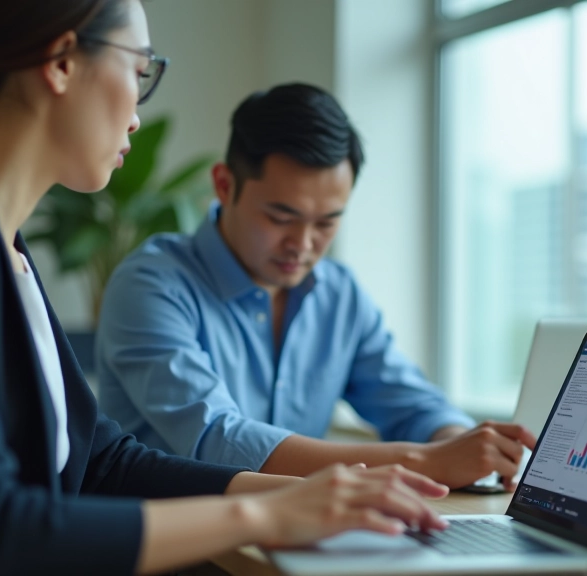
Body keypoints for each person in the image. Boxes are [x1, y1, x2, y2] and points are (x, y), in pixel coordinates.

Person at [0, 2, 449, 574]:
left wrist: (307, 493)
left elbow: (101, 463)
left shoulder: (0, 237)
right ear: (62, 62)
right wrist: (262, 515)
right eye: (139, 71)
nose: (138, 115)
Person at [96, 83, 537, 491]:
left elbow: (412, 406)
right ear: (225, 186)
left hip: (294, 536)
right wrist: (428, 461)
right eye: (281, 218)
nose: (303, 245)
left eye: (327, 222)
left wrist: (465, 447)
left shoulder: (338, 293)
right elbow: (217, 438)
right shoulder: (151, 284)